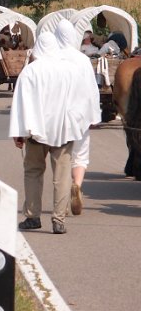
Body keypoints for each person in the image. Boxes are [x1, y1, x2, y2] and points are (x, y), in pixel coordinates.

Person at [9, 31, 94, 234]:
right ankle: (59, 220)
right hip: (63, 131)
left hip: (36, 132)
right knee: (62, 176)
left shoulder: (30, 71)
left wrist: (18, 133)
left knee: (33, 172)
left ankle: (32, 216)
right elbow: (79, 101)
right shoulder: (69, 71)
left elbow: (21, 104)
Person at [55, 19, 101, 215]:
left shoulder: (53, 57)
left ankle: (63, 198)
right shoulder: (82, 59)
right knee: (81, 155)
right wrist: (94, 115)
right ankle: (77, 185)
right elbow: (92, 89)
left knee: (62, 157)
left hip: (58, 116)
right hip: (80, 114)